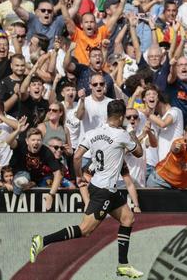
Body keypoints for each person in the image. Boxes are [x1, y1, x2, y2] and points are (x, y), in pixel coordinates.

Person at [30, 100, 145, 279]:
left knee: (128, 218)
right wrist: (131, 132)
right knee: (85, 230)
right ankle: (42, 241)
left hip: (103, 186)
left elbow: (77, 156)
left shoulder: (93, 133)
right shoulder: (122, 134)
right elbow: (139, 152)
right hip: (104, 190)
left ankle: (123, 265)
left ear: (108, 115)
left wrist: (79, 176)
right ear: (122, 117)